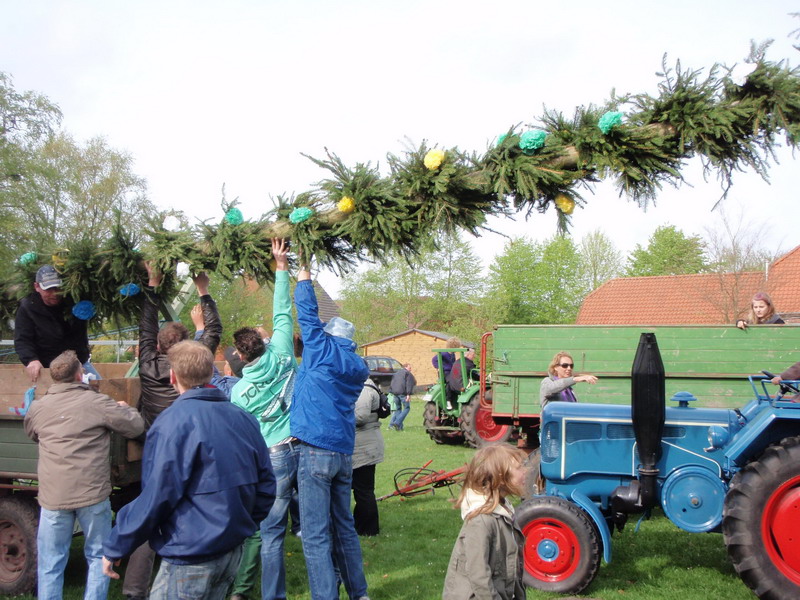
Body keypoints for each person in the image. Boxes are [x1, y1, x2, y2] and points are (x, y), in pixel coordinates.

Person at [101, 341, 276, 600]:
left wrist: (116, 545)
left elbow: (156, 497)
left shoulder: (172, 423)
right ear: (210, 372)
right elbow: (267, 485)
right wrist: (242, 524)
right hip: (228, 550)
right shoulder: (243, 417)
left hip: (192, 555)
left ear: (173, 376)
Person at [121, 264, 222, 600]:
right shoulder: (191, 363)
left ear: (159, 346)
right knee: (187, 507)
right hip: (190, 447)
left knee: (154, 509)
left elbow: (145, 326)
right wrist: (203, 291)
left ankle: (135, 588)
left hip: (156, 447)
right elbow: (212, 332)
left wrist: (152, 285)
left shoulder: (149, 364)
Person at [24, 350, 144, 600]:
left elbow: (32, 433)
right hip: (92, 496)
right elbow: (135, 426)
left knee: (50, 564)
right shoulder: (98, 403)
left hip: (54, 498)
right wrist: (125, 408)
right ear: (80, 374)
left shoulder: (38, 407)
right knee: (98, 557)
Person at [291, 259, 371, 600]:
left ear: (327, 337)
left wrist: (303, 274)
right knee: (344, 528)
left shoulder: (321, 350)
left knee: (314, 534)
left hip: (315, 450)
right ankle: (359, 594)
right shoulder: (357, 364)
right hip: (342, 452)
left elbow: (307, 315)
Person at [228, 238, 300, 600]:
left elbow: (241, 435)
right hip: (303, 444)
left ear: (241, 355)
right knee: (315, 523)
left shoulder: (240, 393)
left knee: (271, 532)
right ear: (263, 341)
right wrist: (281, 266)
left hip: (272, 455)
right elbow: (283, 310)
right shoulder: (285, 351)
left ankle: (273, 596)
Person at [442, 444, 528, 600]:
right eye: (519, 467)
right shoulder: (481, 521)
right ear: (501, 477)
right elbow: (479, 577)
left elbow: (510, 567)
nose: (525, 471)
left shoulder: (504, 510)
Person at [14, 264, 99, 382]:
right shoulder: (28, 307)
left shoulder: (75, 300)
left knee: (104, 390)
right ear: (37, 286)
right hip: (47, 367)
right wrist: (31, 360)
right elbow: (23, 339)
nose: (54, 294)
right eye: (48, 289)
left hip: (78, 364)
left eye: (58, 288)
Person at [352, 378, 385, 536]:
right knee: (361, 490)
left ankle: (369, 529)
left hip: (365, 447)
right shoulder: (364, 386)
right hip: (364, 445)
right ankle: (360, 526)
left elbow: (360, 417)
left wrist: (337, 418)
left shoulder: (364, 389)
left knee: (363, 491)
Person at [388, 362, 416, 431]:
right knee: (407, 408)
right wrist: (408, 394)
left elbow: (392, 383)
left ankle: (399, 428)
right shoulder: (408, 374)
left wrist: (391, 391)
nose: (410, 369)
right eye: (410, 368)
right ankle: (397, 422)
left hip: (395, 393)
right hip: (403, 394)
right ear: (405, 367)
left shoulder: (396, 373)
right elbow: (409, 384)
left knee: (398, 409)